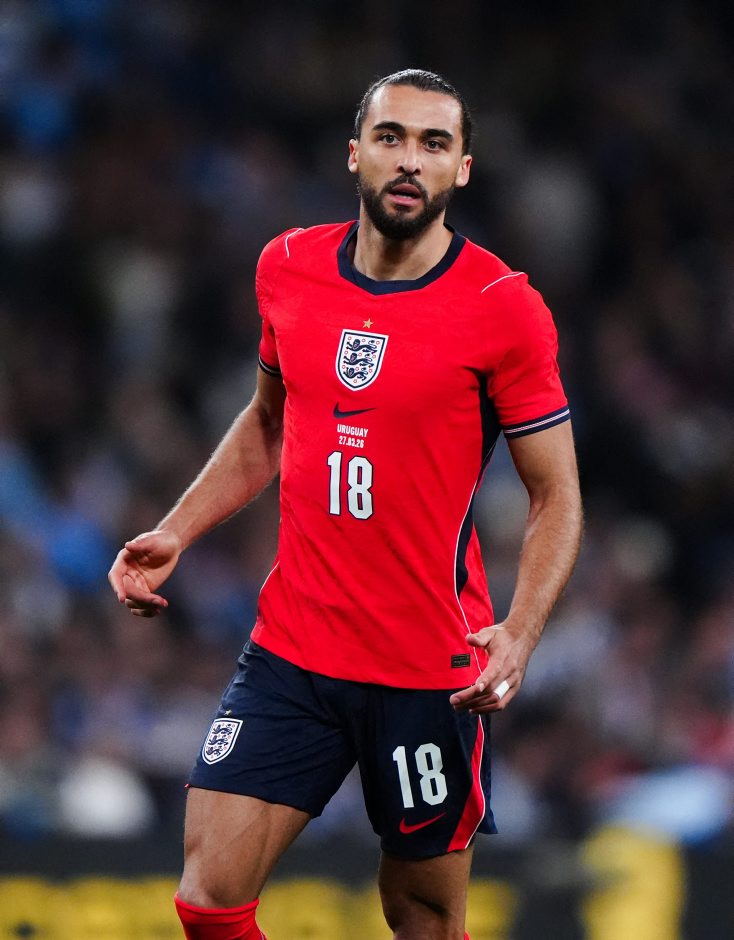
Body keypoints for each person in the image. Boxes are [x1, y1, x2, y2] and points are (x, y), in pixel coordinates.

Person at [108, 69, 583, 940]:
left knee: (422, 917)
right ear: (355, 152)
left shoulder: (502, 308)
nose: (410, 160)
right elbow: (267, 422)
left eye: (434, 144)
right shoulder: (288, 266)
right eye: (391, 137)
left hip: (428, 671)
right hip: (295, 649)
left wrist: (520, 632)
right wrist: (177, 530)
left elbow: (557, 495)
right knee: (208, 901)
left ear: (462, 169)